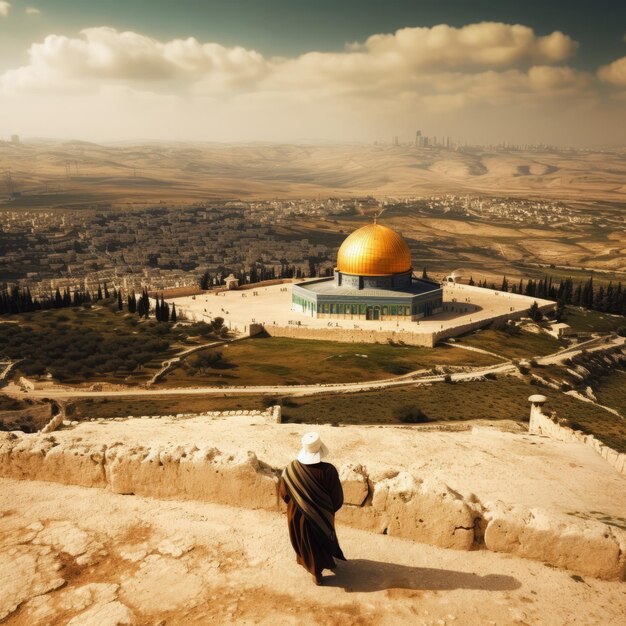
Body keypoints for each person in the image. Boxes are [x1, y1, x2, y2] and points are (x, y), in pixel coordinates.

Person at [279, 432, 346, 585]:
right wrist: (326, 510)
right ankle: (316, 572)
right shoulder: (328, 470)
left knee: (305, 541)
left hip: (296, 513)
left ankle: (313, 566)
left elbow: (284, 494)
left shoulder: (291, 469)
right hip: (321, 513)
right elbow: (337, 498)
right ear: (320, 449)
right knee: (320, 539)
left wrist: (300, 503)